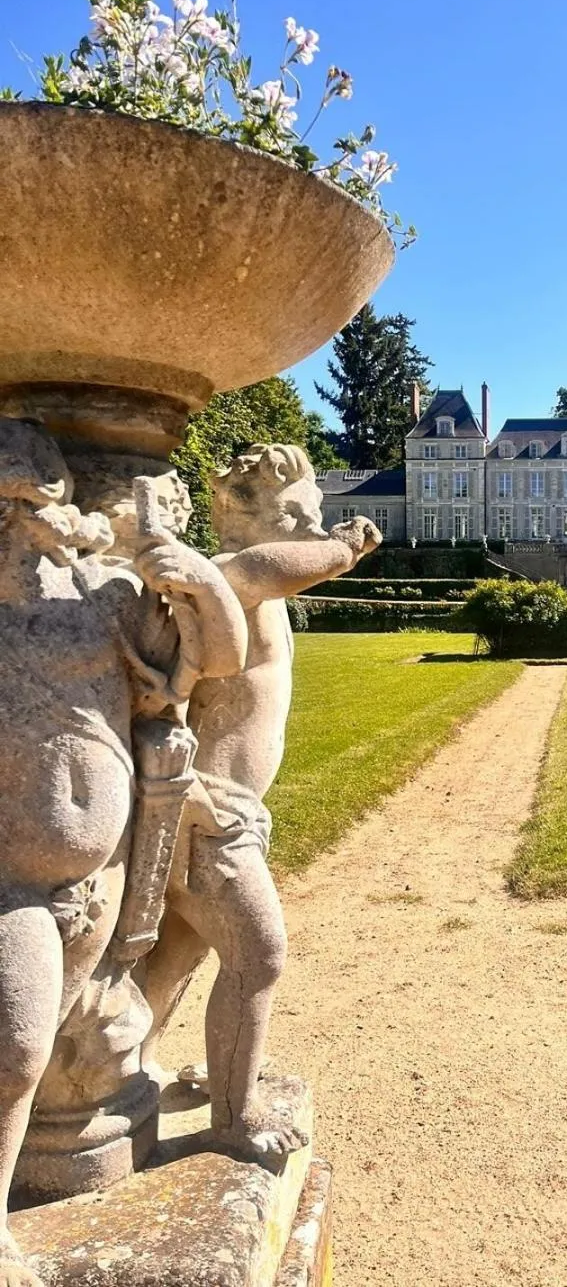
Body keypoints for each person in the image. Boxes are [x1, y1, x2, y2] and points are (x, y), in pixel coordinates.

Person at [0, 421, 246, 1287]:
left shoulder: (98, 599)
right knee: (18, 1047)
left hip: (100, 879)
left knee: (44, 1053)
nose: (21, 522)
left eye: (28, 502)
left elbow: (218, 657)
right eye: (7, 505)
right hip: (15, 880)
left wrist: (195, 576)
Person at [139, 444, 380, 1161]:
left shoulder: (255, 594)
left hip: (228, 809)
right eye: (297, 517)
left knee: (175, 959)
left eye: (317, 517)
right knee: (259, 954)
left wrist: (326, 543)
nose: (312, 528)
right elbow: (266, 567)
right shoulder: (229, 579)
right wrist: (337, 549)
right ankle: (234, 1119)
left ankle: (131, 1066)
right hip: (205, 814)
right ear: (246, 521)